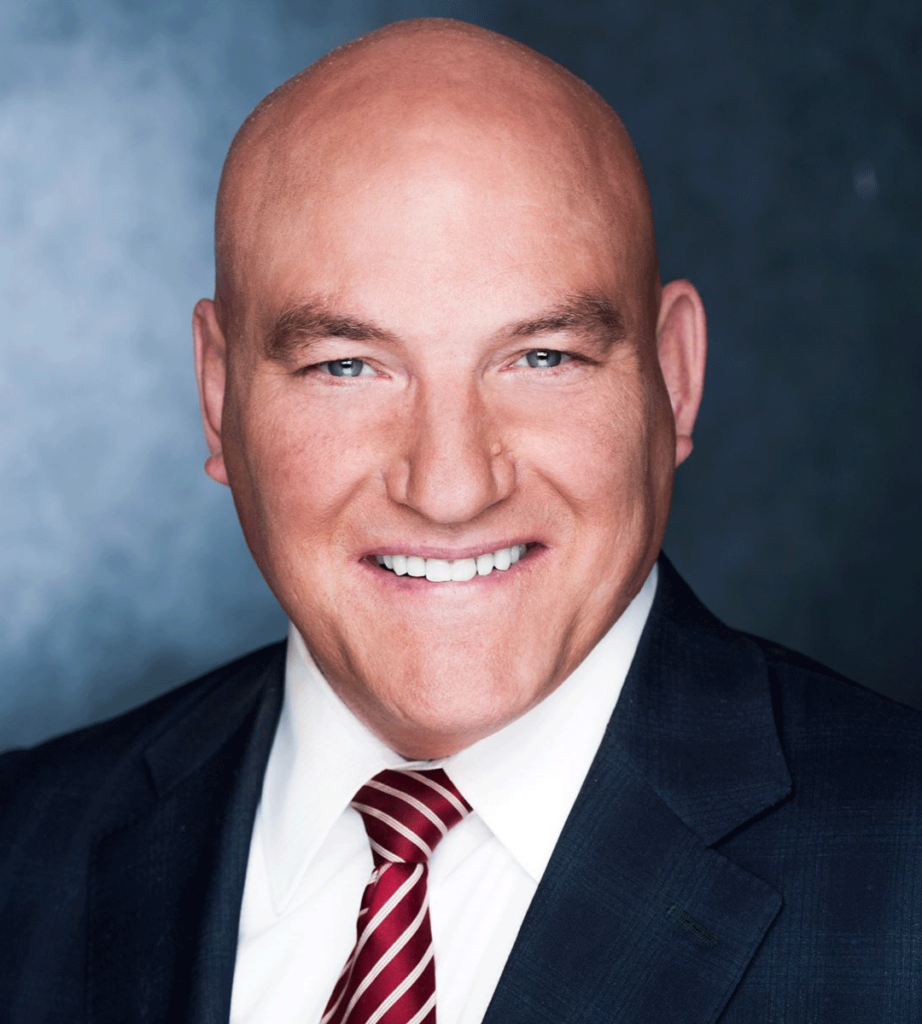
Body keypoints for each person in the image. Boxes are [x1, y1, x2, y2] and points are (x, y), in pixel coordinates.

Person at [1, 17, 919, 1024]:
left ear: (674, 376)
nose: (449, 489)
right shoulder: (22, 854)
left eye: (543, 358)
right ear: (219, 395)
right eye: (346, 366)